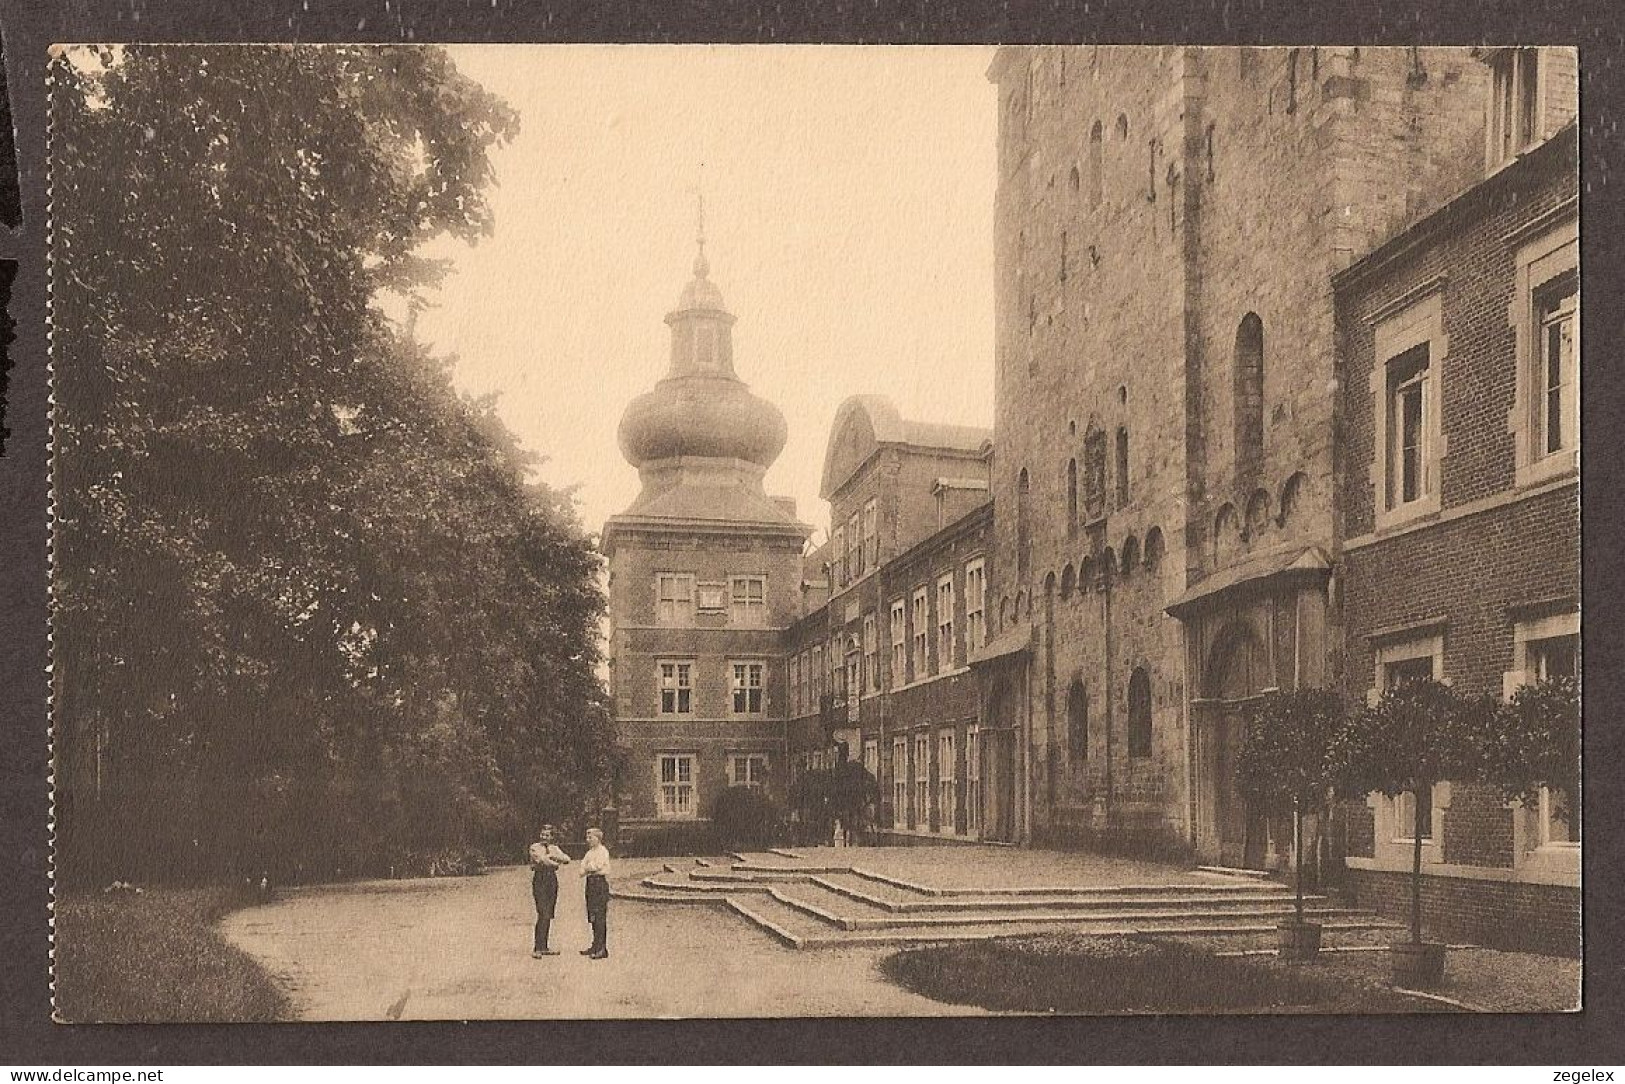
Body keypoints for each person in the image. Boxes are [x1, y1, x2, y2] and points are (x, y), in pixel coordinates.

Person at [527, 824, 570, 957]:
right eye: (542, 834)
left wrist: (552, 857)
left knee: (549, 913)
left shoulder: (554, 848)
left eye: (547, 835)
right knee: (543, 912)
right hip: (540, 879)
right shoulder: (535, 847)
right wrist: (555, 862)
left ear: (552, 837)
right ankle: (537, 948)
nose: (543, 837)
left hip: (551, 880)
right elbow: (542, 860)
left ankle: (544, 946)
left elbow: (567, 859)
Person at [579, 827, 611, 959]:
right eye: (587, 837)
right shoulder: (589, 852)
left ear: (598, 838)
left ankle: (602, 948)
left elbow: (596, 866)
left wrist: (588, 867)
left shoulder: (602, 851)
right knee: (592, 915)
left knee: (600, 916)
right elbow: (581, 870)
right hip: (590, 883)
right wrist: (587, 868)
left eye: (590, 837)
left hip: (599, 884)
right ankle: (595, 944)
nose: (588, 840)